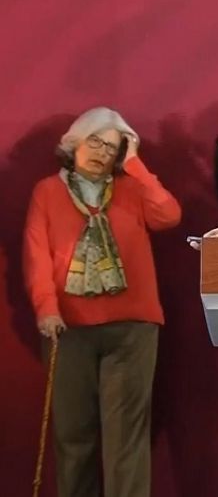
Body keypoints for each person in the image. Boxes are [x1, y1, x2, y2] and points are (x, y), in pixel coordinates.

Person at [23, 107, 182, 497]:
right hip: (70, 326)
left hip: (132, 327)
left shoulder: (130, 188)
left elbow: (169, 216)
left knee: (126, 437)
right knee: (73, 435)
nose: (101, 152)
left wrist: (136, 166)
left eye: (112, 147)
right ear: (75, 142)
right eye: (95, 141)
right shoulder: (47, 190)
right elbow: (36, 253)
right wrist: (46, 307)